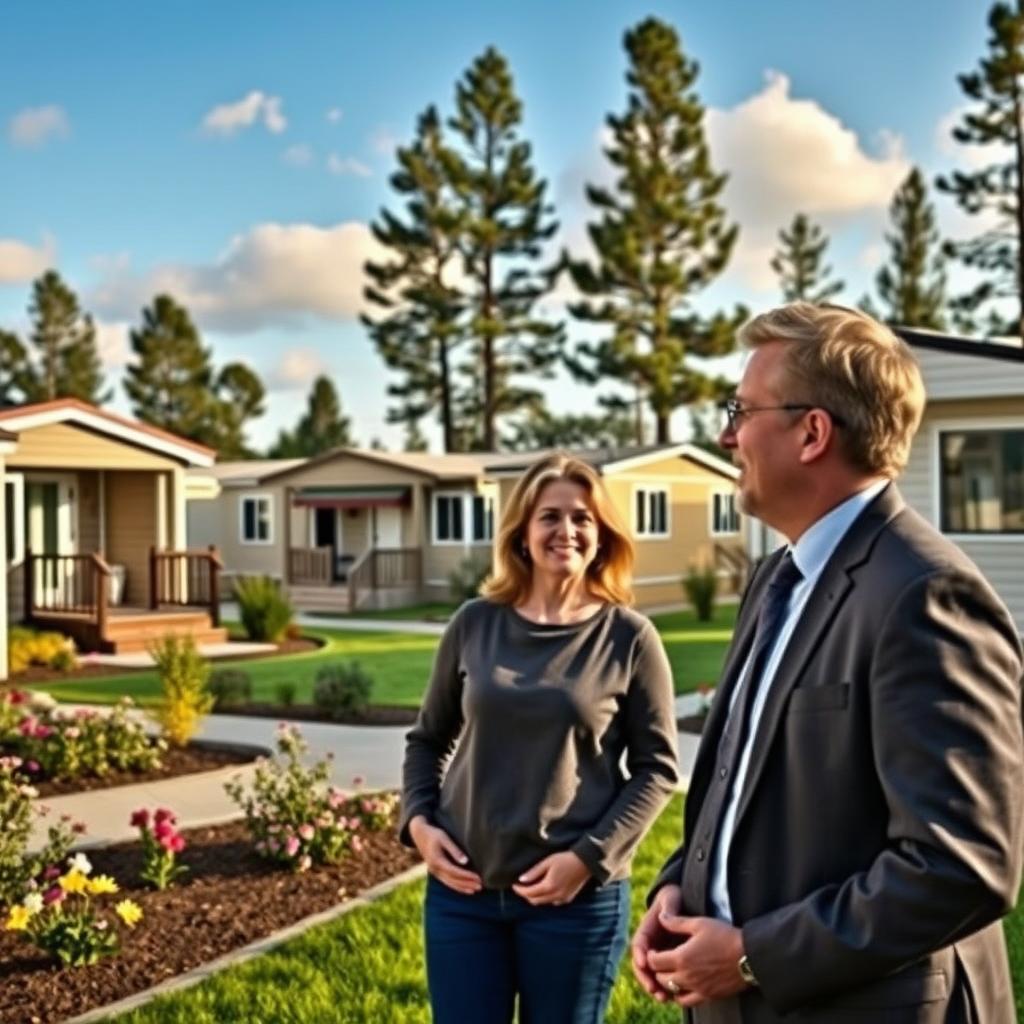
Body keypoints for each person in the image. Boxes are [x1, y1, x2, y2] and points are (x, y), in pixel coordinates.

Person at [632, 302, 1024, 1022]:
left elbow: (962, 865)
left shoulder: (924, 595)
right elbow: (740, 778)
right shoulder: (778, 577)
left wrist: (753, 954)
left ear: (812, 432)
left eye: (741, 410)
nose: (726, 434)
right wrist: (678, 888)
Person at [400, 452, 680, 1023]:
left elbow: (658, 770)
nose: (567, 531)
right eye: (550, 516)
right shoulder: (474, 624)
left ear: (602, 535)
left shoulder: (629, 637)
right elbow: (427, 739)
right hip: (464, 899)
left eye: (582, 518)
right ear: (523, 532)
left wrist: (586, 860)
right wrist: (420, 826)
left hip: (575, 904)